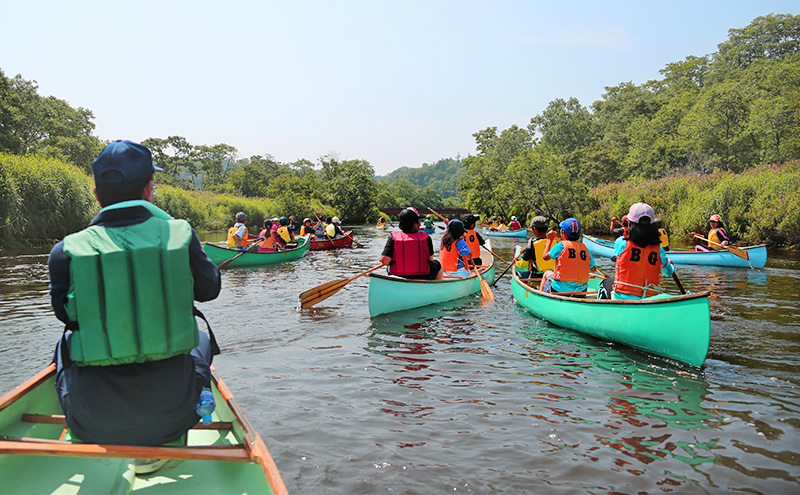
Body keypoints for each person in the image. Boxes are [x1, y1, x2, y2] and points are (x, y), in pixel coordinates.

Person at [48, 140, 221, 453]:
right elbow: (210, 290)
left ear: (96, 194)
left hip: (91, 420)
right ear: (149, 190)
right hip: (175, 415)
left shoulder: (65, 250)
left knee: (64, 346)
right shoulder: (179, 233)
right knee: (200, 338)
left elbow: (66, 315)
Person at [612, 203, 675, 299]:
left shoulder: (621, 243)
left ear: (630, 224)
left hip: (622, 298)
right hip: (649, 299)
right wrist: (670, 265)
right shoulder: (659, 249)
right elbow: (668, 273)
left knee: (605, 286)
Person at [380, 207, 442, 280]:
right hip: (424, 276)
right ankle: (436, 286)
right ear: (415, 224)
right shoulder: (426, 238)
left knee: (389, 266)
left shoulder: (392, 238)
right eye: (418, 221)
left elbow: (385, 261)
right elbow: (430, 259)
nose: (420, 223)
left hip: (398, 276)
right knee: (437, 262)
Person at [539, 218, 596, 296]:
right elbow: (593, 269)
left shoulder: (560, 246)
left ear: (562, 232)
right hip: (581, 292)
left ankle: (541, 296)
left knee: (547, 273)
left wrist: (549, 240)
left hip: (560, 291)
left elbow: (545, 257)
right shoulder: (585, 248)